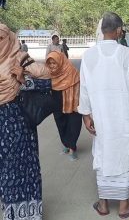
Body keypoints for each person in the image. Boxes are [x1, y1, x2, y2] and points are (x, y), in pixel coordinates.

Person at [78, 12, 129, 218]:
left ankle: (103, 205)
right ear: (118, 31)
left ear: (102, 30)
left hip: (100, 116)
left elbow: (84, 88)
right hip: (123, 116)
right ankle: (124, 207)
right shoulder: (128, 55)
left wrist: (86, 114)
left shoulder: (88, 56)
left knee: (103, 152)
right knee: (125, 153)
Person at [0, 23, 50, 220]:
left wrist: (23, 81)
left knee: (26, 166)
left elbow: (49, 79)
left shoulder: (20, 58)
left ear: (9, 39)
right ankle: (13, 214)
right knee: (6, 171)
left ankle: (30, 214)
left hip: (19, 121)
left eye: (1, 39)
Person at [46, 51, 82, 161]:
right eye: (50, 63)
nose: (52, 66)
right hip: (57, 101)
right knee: (60, 122)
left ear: (61, 61)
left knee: (73, 122)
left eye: (54, 63)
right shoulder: (49, 74)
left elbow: (79, 87)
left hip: (71, 102)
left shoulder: (71, 71)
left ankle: (72, 148)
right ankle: (66, 144)